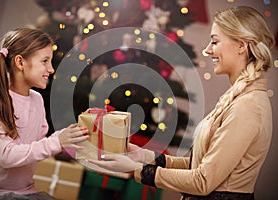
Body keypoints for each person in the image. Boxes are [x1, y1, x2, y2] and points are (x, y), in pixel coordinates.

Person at [89, 6, 275, 200]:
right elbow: (200, 166)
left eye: (215, 42)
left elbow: (203, 181)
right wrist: (146, 157)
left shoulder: (248, 107)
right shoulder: (238, 98)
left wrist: (138, 170)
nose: (207, 50)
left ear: (241, 45)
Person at [0, 28, 89, 199]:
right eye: (44, 61)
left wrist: (72, 135)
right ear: (20, 63)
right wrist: (57, 141)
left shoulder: (37, 100)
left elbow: (38, 147)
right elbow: (7, 156)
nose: (51, 69)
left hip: (28, 191)